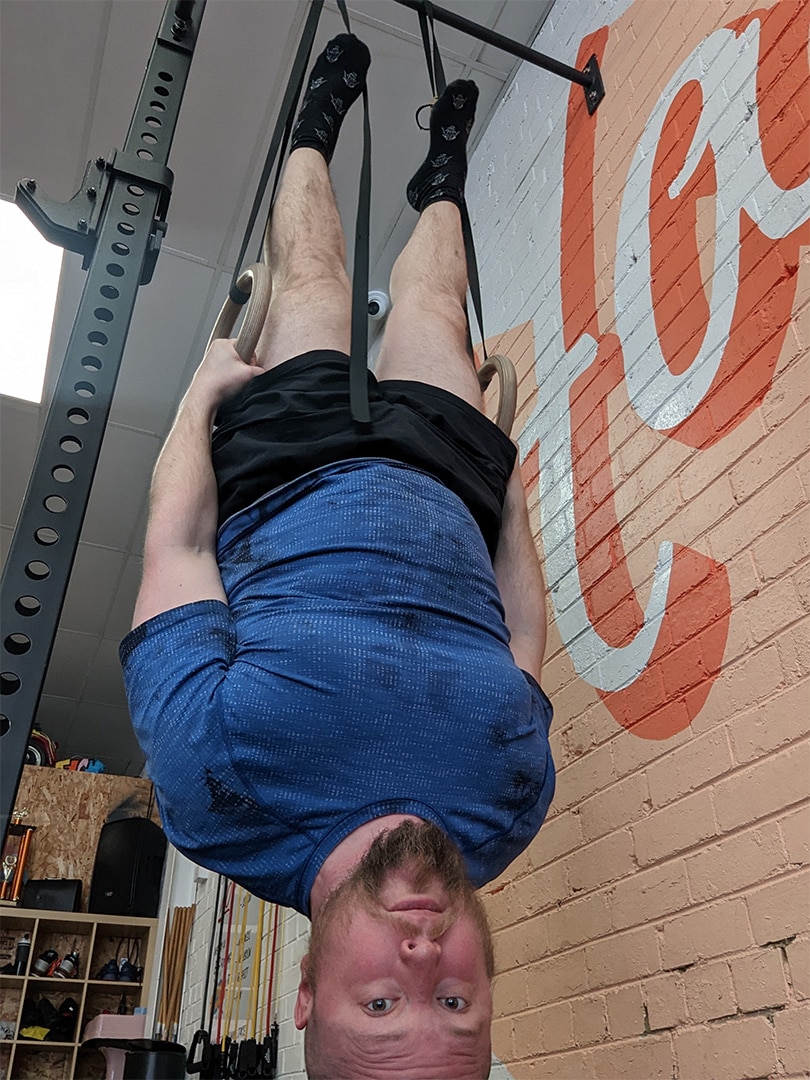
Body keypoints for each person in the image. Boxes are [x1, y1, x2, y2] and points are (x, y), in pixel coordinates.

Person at [120, 33, 554, 1079]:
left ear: (307, 996)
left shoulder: (214, 794)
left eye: (380, 1000)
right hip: (450, 484)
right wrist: (513, 495)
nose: (421, 955)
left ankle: (313, 129)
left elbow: (176, 546)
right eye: (453, 1000)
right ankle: (442, 172)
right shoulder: (509, 805)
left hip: (285, 466)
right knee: (437, 305)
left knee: (311, 272)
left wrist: (196, 400)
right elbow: (525, 629)